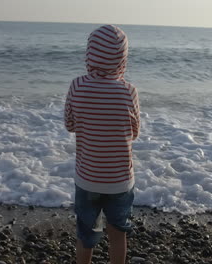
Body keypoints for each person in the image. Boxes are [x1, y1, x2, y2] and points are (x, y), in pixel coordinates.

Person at [64, 25, 140, 264]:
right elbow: (134, 132)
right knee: (118, 233)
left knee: (86, 235)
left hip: (87, 178)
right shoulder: (129, 91)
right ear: (122, 57)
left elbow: (69, 124)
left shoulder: (77, 86)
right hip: (119, 180)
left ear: (90, 53)